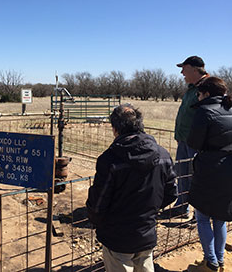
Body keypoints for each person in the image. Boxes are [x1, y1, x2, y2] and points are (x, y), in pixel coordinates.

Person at [86, 104, 177, 272]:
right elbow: (171, 193)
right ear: (140, 125)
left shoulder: (109, 160)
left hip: (117, 236)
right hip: (147, 232)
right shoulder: (163, 154)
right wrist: (149, 211)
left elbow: (97, 205)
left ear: (115, 129)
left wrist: (98, 220)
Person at [186, 77, 232, 272]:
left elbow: (194, 143)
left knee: (202, 216)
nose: (197, 96)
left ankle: (210, 262)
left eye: (199, 93)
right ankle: (219, 260)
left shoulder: (204, 111)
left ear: (206, 93)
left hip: (210, 169)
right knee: (220, 217)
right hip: (228, 168)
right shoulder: (230, 109)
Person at [165, 55, 209, 218]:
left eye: (184, 68)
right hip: (184, 139)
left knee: (197, 177)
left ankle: (201, 213)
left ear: (195, 69)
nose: (182, 72)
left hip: (197, 143)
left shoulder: (208, 87)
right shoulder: (192, 88)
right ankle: (182, 207)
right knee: (182, 173)